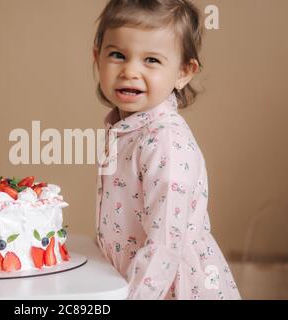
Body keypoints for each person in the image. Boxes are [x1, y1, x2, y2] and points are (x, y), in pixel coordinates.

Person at [93, 0, 241, 300]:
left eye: (151, 60)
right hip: (131, 276)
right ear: (97, 59)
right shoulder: (125, 129)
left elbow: (165, 245)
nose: (130, 71)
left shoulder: (165, 143)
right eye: (118, 55)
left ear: (183, 72)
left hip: (167, 286)